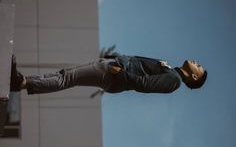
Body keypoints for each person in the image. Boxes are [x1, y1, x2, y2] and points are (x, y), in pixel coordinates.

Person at [10, 53, 207, 95]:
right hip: (113, 68)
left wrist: (121, 72)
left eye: (199, 67)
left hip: (114, 75)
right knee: (64, 74)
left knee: (66, 78)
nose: (197, 62)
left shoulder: (174, 80)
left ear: (195, 77)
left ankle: (22, 83)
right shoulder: (172, 72)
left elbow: (144, 85)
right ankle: (23, 81)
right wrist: (118, 57)